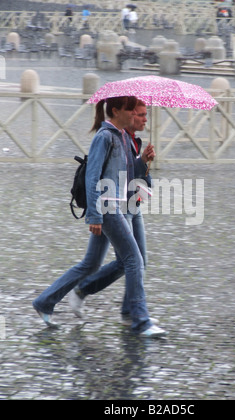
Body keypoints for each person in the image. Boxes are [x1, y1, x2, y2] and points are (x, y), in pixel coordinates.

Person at [33, 96, 166, 337]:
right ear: (116, 111)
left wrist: (143, 161)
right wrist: (94, 216)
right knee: (134, 260)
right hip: (108, 207)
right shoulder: (104, 137)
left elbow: (125, 175)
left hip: (119, 204)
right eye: (130, 111)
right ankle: (140, 320)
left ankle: (44, 302)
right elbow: (92, 177)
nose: (134, 116)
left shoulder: (122, 136)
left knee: (92, 264)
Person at [68, 100, 155, 325]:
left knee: (132, 260)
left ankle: (129, 311)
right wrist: (96, 215)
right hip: (116, 206)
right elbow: (99, 177)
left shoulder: (134, 141)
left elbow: (135, 175)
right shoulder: (114, 138)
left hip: (132, 204)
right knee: (129, 260)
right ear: (129, 115)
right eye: (141, 114)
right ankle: (130, 312)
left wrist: (145, 162)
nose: (145, 118)